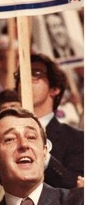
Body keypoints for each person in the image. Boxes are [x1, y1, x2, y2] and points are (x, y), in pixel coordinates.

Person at [14, 53, 84, 188]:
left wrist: (44, 157)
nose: (25, 80)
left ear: (55, 89)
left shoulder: (76, 139)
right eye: (20, 76)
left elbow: (76, 185)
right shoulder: (3, 135)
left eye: (36, 74)